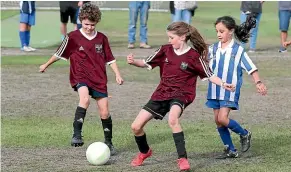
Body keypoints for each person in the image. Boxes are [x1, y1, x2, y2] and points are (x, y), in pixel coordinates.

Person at [127, 21, 235, 171]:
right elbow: (146, 63)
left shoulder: (194, 56)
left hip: (182, 94)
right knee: (135, 126)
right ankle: (145, 152)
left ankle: (182, 158)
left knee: (173, 118)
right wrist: (133, 62)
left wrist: (223, 84)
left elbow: (209, 75)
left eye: (172, 37)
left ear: (183, 37)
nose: (169, 41)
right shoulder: (164, 50)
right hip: (162, 93)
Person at [39, 3, 124, 155]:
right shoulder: (73, 37)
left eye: (92, 25)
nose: (89, 27)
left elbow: (110, 59)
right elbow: (59, 53)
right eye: (86, 24)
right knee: (84, 99)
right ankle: (76, 134)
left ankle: (109, 142)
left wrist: (117, 74)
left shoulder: (102, 38)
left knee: (104, 112)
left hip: (99, 78)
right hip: (80, 76)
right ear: (81, 20)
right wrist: (46, 64)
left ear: (96, 22)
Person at [206, 16, 267, 159]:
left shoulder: (237, 50)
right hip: (214, 89)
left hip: (230, 90)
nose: (218, 34)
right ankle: (231, 150)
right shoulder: (212, 49)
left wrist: (258, 83)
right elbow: (202, 65)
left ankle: (244, 133)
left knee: (222, 118)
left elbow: (251, 68)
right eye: (217, 31)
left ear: (231, 31)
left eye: (222, 31)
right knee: (217, 120)